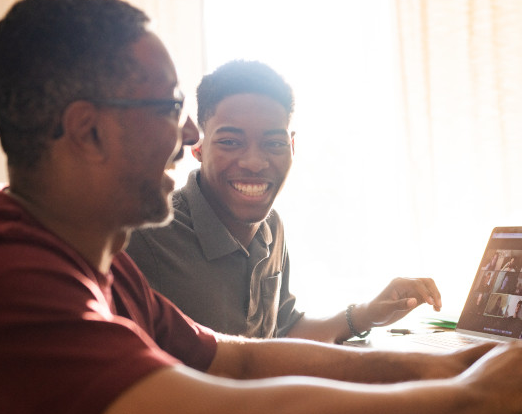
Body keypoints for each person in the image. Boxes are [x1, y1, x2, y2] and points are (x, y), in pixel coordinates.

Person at [0, 0, 522, 414]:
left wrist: (443, 368)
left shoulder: (98, 262)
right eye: (171, 107)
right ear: (89, 130)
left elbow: (240, 362)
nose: (188, 136)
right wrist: (475, 399)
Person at [126, 60, 440, 342]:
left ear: (292, 146)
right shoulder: (146, 234)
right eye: (231, 142)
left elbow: (286, 330)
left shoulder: (270, 226)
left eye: (273, 143)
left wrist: (368, 313)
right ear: (198, 147)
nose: (254, 161)